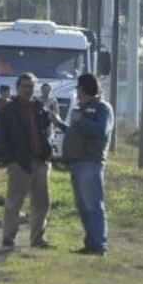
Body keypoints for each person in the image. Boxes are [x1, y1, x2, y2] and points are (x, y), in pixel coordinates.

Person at [0, 72, 54, 249]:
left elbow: (46, 131)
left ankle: (37, 239)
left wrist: (48, 152)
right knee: (14, 203)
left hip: (40, 160)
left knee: (41, 203)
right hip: (19, 163)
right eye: (25, 86)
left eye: (31, 87)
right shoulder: (8, 111)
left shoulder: (40, 108)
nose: (28, 90)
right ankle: (8, 238)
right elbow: (1, 137)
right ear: (18, 88)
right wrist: (10, 159)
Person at [54, 73, 113, 256]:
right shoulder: (82, 109)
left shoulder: (102, 108)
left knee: (93, 206)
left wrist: (81, 120)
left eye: (78, 88)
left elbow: (101, 131)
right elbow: (75, 133)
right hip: (77, 164)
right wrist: (59, 123)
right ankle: (90, 244)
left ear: (82, 88)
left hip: (90, 163)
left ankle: (99, 246)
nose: (77, 93)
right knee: (84, 207)